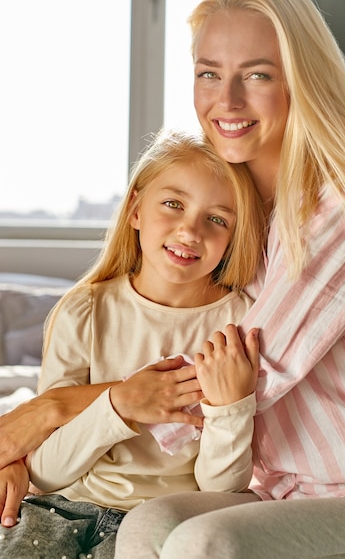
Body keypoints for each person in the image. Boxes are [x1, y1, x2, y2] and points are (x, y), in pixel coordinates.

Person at [1, 0, 345, 558]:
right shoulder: (235, 212)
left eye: (257, 75)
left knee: (204, 539)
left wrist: (51, 409)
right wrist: (28, 455)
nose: (228, 101)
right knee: (148, 526)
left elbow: (247, 368)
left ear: (305, 82)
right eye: (208, 74)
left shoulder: (343, 208)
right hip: (277, 488)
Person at [0, 128, 265, 558]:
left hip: (164, 522)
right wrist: (118, 405)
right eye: (173, 204)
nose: (190, 230)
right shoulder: (84, 311)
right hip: (63, 509)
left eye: (217, 218)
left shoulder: (241, 324)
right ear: (136, 209)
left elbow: (221, 489)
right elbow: (47, 473)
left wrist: (231, 408)